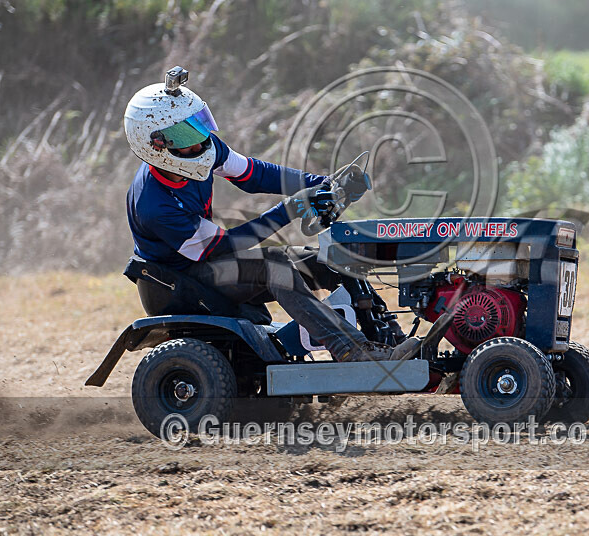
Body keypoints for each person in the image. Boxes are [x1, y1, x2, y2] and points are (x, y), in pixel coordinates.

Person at [123, 67, 411, 362]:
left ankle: (391, 341)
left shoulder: (200, 150)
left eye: (197, 126)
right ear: (155, 144)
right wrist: (291, 209)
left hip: (205, 264)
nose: (198, 141)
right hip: (181, 284)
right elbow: (224, 246)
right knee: (274, 266)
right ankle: (352, 350)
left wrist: (323, 184)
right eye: (184, 134)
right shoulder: (154, 206)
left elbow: (254, 174)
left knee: (330, 260)